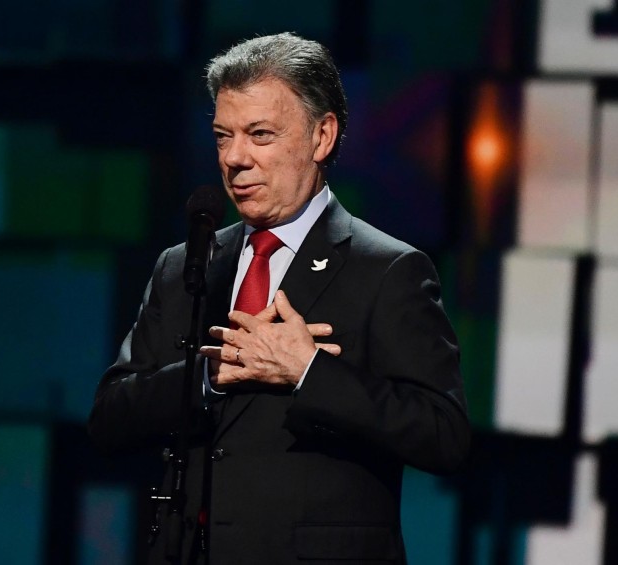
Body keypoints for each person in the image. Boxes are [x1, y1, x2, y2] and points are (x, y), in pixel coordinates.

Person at [88, 32, 470, 565]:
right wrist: (205, 377)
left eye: (260, 135)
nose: (235, 159)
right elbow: (108, 420)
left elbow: (444, 435)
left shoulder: (388, 270)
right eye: (224, 137)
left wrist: (308, 370)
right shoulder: (185, 266)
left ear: (322, 137)